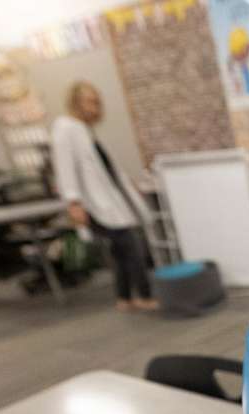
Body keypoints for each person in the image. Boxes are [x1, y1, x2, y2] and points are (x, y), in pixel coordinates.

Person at [51, 81, 157, 311]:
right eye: (89, 102)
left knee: (120, 251)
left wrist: (128, 185)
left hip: (109, 200)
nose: (94, 107)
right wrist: (73, 202)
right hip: (94, 203)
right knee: (131, 245)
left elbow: (104, 168)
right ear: (75, 102)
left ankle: (124, 298)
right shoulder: (65, 128)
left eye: (96, 102)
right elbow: (65, 168)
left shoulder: (84, 130)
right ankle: (144, 295)